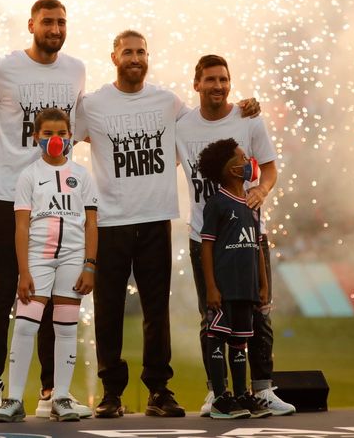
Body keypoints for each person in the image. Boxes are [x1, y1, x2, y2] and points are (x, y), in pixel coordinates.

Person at [75, 31, 259, 418]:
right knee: (107, 312)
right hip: (110, 222)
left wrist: (242, 107)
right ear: (114, 58)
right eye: (128, 52)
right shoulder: (92, 105)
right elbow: (57, 136)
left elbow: (206, 123)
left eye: (141, 52)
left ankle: (159, 389)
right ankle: (111, 393)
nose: (136, 58)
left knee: (156, 312)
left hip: (157, 218)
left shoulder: (167, 102)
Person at [0, 0, 91, 419]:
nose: (55, 28)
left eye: (61, 21)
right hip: (7, 195)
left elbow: (83, 124)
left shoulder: (76, 69)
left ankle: (48, 393)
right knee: (5, 288)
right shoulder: (3, 67)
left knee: (54, 291)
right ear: (31, 25)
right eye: (47, 22)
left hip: (55, 199)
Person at [175, 54, 295, 416]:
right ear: (196, 84)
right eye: (210, 79)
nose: (218, 86)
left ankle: (262, 389)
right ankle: (218, 392)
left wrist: (262, 190)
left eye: (223, 79)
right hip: (205, 237)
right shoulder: (181, 124)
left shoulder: (248, 118)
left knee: (259, 313)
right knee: (211, 314)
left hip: (249, 235)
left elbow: (270, 168)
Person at [0, 108, 98, 423]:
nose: (55, 139)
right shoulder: (29, 175)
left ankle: (60, 398)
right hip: (38, 257)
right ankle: (13, 399)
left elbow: (92, 224)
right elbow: (21, 226)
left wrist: (89, 264)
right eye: (48, 134)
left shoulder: (83, 174)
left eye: (61, 134)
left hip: (73, 258)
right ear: (36, 137)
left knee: (65, 328)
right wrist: (23, 271)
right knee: (25, 326)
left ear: (70, 137)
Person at [198, 138, 272, 419]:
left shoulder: (252, 203)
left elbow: (257, 246)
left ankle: (242, 395)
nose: (248, 162)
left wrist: (263, 284)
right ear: (231, 170)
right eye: (242, 158)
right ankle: (220, 398)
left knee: (240, 341)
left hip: (247, 288)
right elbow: (206, 246)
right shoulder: (217, 203)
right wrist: (211, 287)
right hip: (225, 288)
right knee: (217, 336)